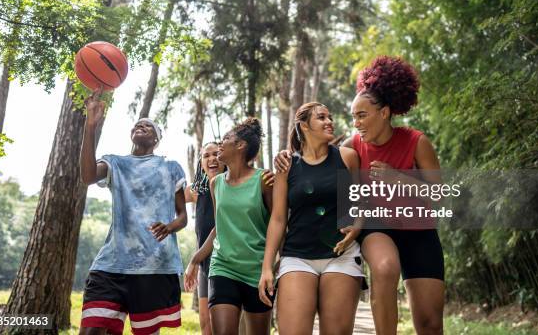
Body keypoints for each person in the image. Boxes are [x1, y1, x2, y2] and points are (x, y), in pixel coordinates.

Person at [276, 56, 445, 335]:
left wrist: (399, 179)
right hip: (377, 225)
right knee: (385, 266)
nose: (356, 123)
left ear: (385, 112)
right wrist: (285, 157)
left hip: (419, 229)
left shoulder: (417, 141)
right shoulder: (352, 147)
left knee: (430, 323)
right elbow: (313, 162)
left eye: (362, 115)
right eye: (353, 116)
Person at [79, 90, 188, 335]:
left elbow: (183, 217)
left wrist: (169, 227)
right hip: (111, 265)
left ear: (156, 139)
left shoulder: (170, 168)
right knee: (91, 330)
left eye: (148, 126)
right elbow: (86, 177)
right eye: (138, 124)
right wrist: (90, 126)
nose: (142, 125)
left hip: (154, 267)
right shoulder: (115, 163)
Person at [259, 102, 363, 335]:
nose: (330, 122)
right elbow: (277, 219)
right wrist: (267, 267)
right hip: (297, 257)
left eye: (330, 117)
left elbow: (360, 204)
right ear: (304, 126)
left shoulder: (347, 158)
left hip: (341, 256)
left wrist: (356, 229)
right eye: (321, 118)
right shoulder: (287, 166)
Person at [184, 118, 274, 335]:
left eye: (225, 140)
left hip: (256, 269)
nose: (219, 147)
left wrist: (271, 266)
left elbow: (277, 224)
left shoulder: (264, 180)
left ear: (241, 145)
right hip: (223, 267)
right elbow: (219, 228)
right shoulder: (216, 184)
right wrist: (195, 259)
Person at [184, 142, 225, 335]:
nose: (211, 159)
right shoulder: (197, 192)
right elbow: (167, 194)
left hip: (227, 263)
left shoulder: (231, 185)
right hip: (204, 264)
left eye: (216, 154)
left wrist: (194, 260)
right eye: (206, 155)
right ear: (201, 163)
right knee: (205, 323)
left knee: (222, 323)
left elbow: (221, 227)